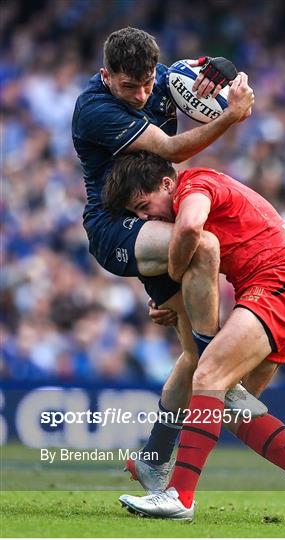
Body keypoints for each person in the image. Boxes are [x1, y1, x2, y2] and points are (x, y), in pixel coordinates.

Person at [103, 151, 285, 523]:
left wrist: (165, 279)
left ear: (167, 184)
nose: (144, 218)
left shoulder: (194, 186)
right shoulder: (204, 186)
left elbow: (190, 230)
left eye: (143, 205)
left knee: (209, 374)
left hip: (279, 284)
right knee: (225, 405)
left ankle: (179, 496)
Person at [71, 26, 256, 492]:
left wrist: (226, 73)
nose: (141, 94)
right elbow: (174, 149)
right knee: (204, 247)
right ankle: (227, 381)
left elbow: (206, 75)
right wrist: (230, 117)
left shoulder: (164, 80)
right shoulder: (94, 110)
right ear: (106, 76)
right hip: (114, 226)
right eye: (129, 86)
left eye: (147, 83)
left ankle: (153, 459)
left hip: (156, 220)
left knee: (192, 359)